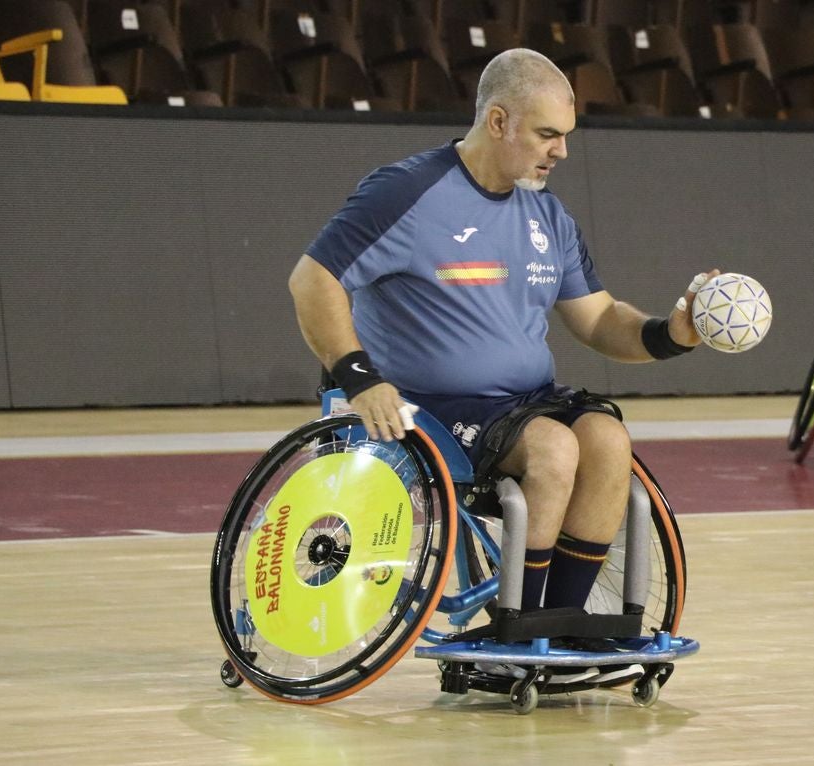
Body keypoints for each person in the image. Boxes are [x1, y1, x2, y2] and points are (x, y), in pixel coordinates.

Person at [288, 48, 713, 615]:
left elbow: (600, 319)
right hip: (428, 408)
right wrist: (358, 376)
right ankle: (516, 623)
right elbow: (313, 279)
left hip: (521, 405)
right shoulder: (407, 192)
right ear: (497, 121)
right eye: (546, 134)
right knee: (556, 448)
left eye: (566, 135)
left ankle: (559, 622)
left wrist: (670, 334)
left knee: (609, 439)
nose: (561, 150)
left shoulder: (549, 217)